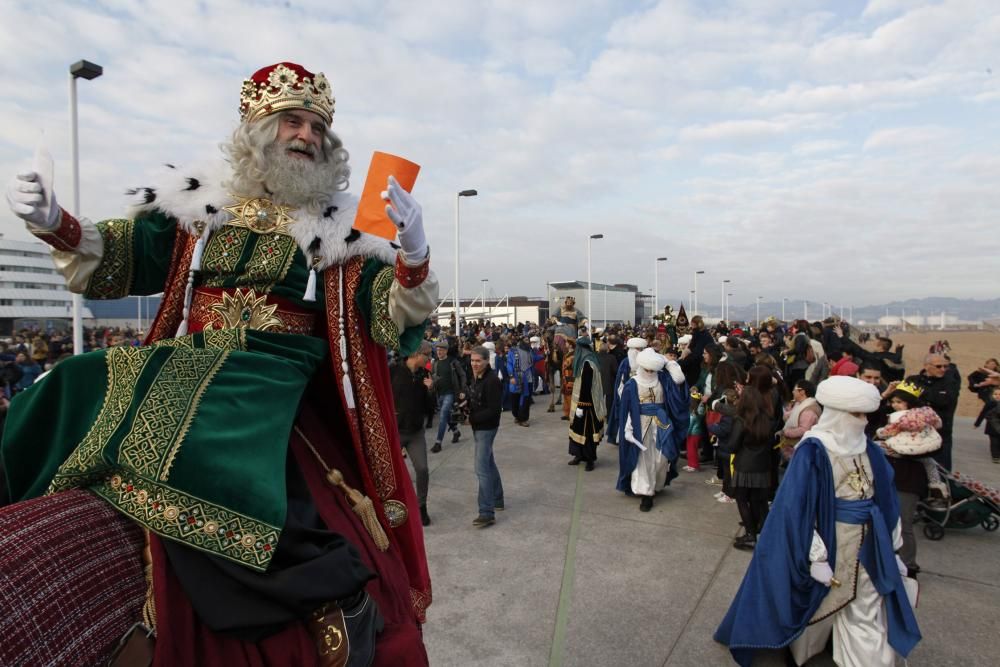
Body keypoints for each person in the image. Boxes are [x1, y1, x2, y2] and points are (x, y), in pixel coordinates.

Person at [2, 61, 436, 665]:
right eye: (292, 121)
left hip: (273, 371)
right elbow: (123, 255)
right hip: (190, 355)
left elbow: (390, 318)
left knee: (217, 421)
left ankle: (320, 588)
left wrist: (412, 256)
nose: (307, 135)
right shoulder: (201, 207)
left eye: (316, 126)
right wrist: (56, 223)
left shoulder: (344, 233)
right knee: (72, 378)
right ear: (258, 129)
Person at [715, 376, 920, 666]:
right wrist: (817, 556)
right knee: (819, 605)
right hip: (830, 538)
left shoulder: (869, 448)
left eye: (865, 415)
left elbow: (885, 501)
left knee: (866, 610)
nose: (862, 422)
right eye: (856, 415)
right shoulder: (813, 450)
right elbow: (797, 508)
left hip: (870, 546)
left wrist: (893, 547)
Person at [615, 348, 688, 510]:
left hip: (662, 424)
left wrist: (669, 363)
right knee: (643, 459)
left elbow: (680, 381)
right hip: (640, 426)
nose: (649, 372)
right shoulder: (632, 383)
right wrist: (627, 429)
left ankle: (656, 484)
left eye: (652, 369)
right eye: (647, 369)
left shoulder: (663, 379)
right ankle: (646, 493)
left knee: (662, 458)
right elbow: (626, 408)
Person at [875, 381, 945, 504]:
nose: (895, 405)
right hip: (921, 449)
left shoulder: (898, 417)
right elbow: (938, 424)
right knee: (930, 463)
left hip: (900, 449)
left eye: (899, 402)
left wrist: (879, 432)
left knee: (874, 447)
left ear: (909, 402)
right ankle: (936, 484)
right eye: (893, 402)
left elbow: (888, 432)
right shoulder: (925, 413)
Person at [391, 341, 435, 526]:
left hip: (416, 432)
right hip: (396, 431)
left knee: (423, 469)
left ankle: (421, 506)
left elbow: (429, 408)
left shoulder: (425, 375)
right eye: (427, 354)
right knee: (390, 471)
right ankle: (390, 506)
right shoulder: (393, 371)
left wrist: (431, 390)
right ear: (417, 354)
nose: (429, 358)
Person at [467, 346, 504, 528]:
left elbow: (494, 410)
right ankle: (498, 499)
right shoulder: (477, 376)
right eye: (472, 360)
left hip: (486, 429)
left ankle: (486, 512)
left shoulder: (492, 381)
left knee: (481, 469)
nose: (474, 364)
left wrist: (471, 418)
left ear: (486, 361)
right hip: (479, 427)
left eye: (478, 361)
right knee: (489, 463)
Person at [906, 353, 960, 471]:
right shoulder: (913, 380)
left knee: (941, 471)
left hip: (940, 434)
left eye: (946, 366)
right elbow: (903, 401)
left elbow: (943, 401)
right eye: (939, 366)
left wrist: (920, 394)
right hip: (915, 433)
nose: (943, 369)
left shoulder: (950, 382)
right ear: (926, 366)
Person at [567, 336, 605, 471]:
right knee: (577, 430)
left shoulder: (587, 363)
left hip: (587, 405)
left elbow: (587, 387)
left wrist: (581, 406)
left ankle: (589, 459)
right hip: (580, 403)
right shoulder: (585, 360)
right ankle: (578, 455)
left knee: (587, 433)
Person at [607, 337, 647, 445]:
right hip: (627, 395)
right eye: (638, 349)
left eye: (641, 349)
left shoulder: (645, 362)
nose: (640, 352)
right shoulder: (625, 363)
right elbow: (620, 382)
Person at [431, 339, 466, 452]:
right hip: (439, 394)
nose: (439, 352)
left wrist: (462, 389)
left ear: (446, 351)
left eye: (441, 350)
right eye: (437, 350)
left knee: (442, 416)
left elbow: (462, 375)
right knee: (446, 416)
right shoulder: (435, 363)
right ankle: (456, 432)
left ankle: (438, 443)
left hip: (450, 394)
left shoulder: (453, 362)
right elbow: (432, 376)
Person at [779, 379, 821, 462]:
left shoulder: (809, 410)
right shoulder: (800, 404)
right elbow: (790, 416)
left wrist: (785, 432)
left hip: (800, 449)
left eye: (795, 390)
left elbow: (803, 430)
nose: (793, 392)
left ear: (802, 392)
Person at [506, 337, 533, 427]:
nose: (528, 342)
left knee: (525, 400)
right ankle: (517, 416)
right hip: (516, 378)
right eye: (526, 340)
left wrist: (544, 356)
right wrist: (511, 376)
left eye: (528, 340)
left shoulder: (530, 351)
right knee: (515, 399)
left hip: (528, 379)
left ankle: (523, 418)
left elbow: (533, 360)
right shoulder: (513, 351)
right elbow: (509, 363)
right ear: (521, 341)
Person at [983, 387, 1000, 464]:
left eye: (999, 394)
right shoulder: (990, 403)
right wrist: (977, 423)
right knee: (994, 442)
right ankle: (995, 457)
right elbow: (983, 413)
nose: (997, 396)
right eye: (995, 394)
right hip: (991, 427)